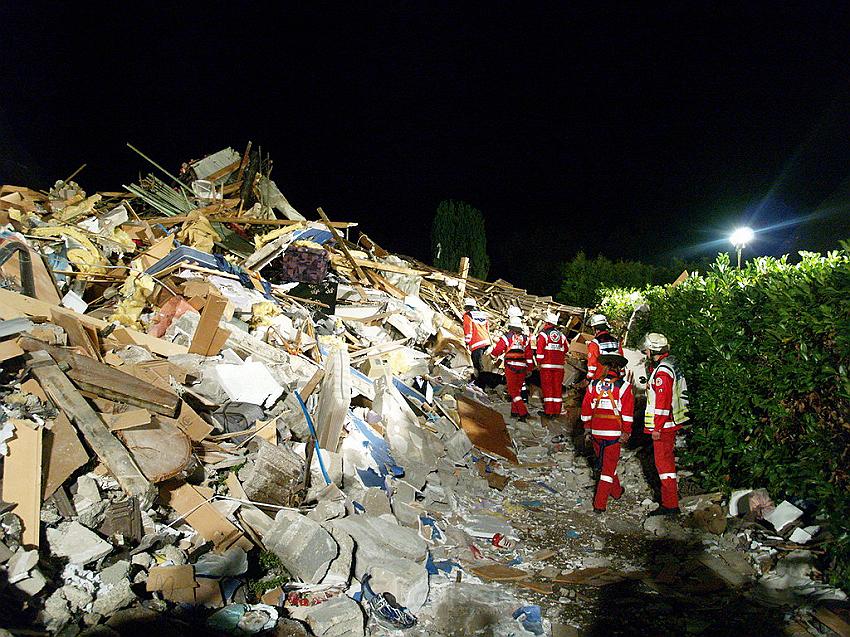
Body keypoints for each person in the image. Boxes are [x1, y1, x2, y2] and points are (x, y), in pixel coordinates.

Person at [643, 333, 690, 516]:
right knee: (667, 464)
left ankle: (670, 505)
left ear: (653, 350)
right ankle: (670, 502)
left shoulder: (662, 371)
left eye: (647, 348)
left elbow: (662, 402)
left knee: (664, 466)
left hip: (664, 425)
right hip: (672, 422)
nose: (645, 351)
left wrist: (657, 427)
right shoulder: (672, 364)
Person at [581, 353, 633, 512]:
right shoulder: (624, 387)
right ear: (619, 369)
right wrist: (626, 432)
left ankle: (616, 492)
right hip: (613, 435)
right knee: (607, 470)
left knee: (606, 464)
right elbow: (628, 414)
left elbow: (586, 410)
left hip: (596, 432)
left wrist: (587, 428)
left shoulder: (593, 385)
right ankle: (599, 504)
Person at [490, 316, 534, 421]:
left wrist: (492, 355)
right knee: (517, 390)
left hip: (511, 367)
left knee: (512, 391)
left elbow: (498, 349)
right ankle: (514, 412)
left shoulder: (507, 337)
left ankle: (523, 412)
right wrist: (530, 369)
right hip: (523, 368)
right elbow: (529, 355)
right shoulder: (525, 338)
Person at [536, 311, 567, 419]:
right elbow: (566, 349)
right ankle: (557, 411)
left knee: (548, 389)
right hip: (559, 367)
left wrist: (538, 363)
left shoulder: (543, 335)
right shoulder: (562, 336)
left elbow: (539, 352)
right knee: (557, 389)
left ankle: (549, 412)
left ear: (546, 323)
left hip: (547, 367)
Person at [586, 314, 623, 381]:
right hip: (614, 377)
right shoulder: (616, 341)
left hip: (600, 378)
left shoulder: (595, 343)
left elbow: (592, 363)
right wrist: (621, 373)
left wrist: (589, 376)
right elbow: (621, 358)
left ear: (595, 329)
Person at [462, 297, 491, 377]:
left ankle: (481, 382)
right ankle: (478, 379)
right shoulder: (483, 315)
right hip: (486, 341)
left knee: (477, 364)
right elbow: (487, 328)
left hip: (476, 342)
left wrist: (467, 342)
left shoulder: (468, 315)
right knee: (478, 361)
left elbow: (468, 329)